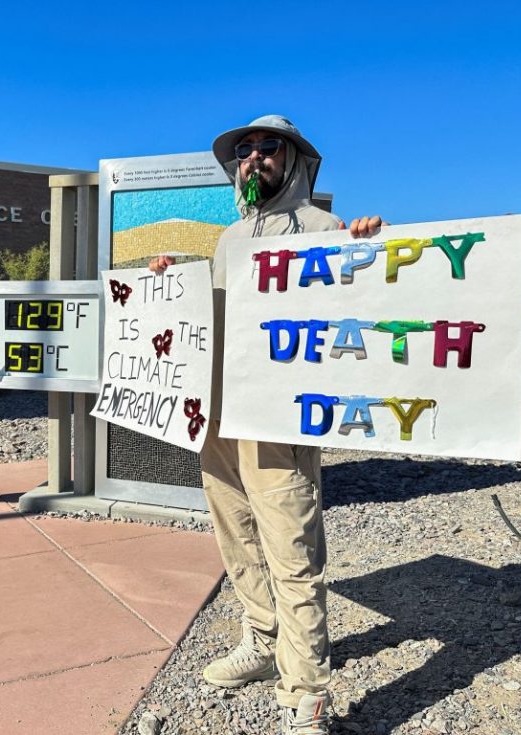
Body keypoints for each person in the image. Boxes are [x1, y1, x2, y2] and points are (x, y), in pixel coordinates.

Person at [150, 115, 384, 734]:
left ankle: (304, 690)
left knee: (291, 545)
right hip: (219, 417)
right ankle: (263, 639)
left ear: (295, 159)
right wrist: (173, 280)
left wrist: (370, 247)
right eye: (245, 150)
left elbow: (357, 312)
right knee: (236, 533)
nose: (255, 157)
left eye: (268, 147)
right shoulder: (230, 239)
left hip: (279, 418)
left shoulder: (324, 229)